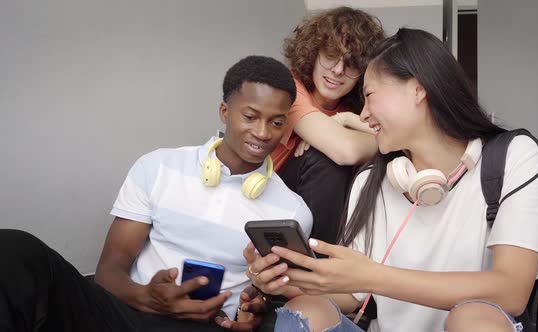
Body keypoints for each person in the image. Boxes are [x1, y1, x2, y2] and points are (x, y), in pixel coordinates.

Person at [244, 29, 538, 332]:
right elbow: (353, 296)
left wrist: (372, 275)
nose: (362, 115)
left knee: (475, 320)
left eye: (369, 94)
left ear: (417, 89)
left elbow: (511, 291)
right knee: (306, 309)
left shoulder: (513, 154)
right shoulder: (372, 181)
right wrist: (282, 283)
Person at [0, 55, 312, 332]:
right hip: (125, 313)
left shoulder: (291, 212)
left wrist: (256, 307)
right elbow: (109, 270)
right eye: (250, 116)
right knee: (16, 249)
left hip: (208, 326)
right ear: (224, 111)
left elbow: (269, 295)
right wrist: (148, 298)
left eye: (276, 122)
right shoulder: (158, 166)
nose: (262, 132)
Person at [271, 7, 386, 245]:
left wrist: (347, 120)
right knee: (325, 158)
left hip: (324, 214)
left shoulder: (354, 109)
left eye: (351, 64)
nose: (338, 70)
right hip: (268, 197)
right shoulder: (288, 89)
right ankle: (319, 265)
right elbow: (346, 151)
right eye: (331, 56)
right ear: (313, 54)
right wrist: (370, 139)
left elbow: (398, 143)